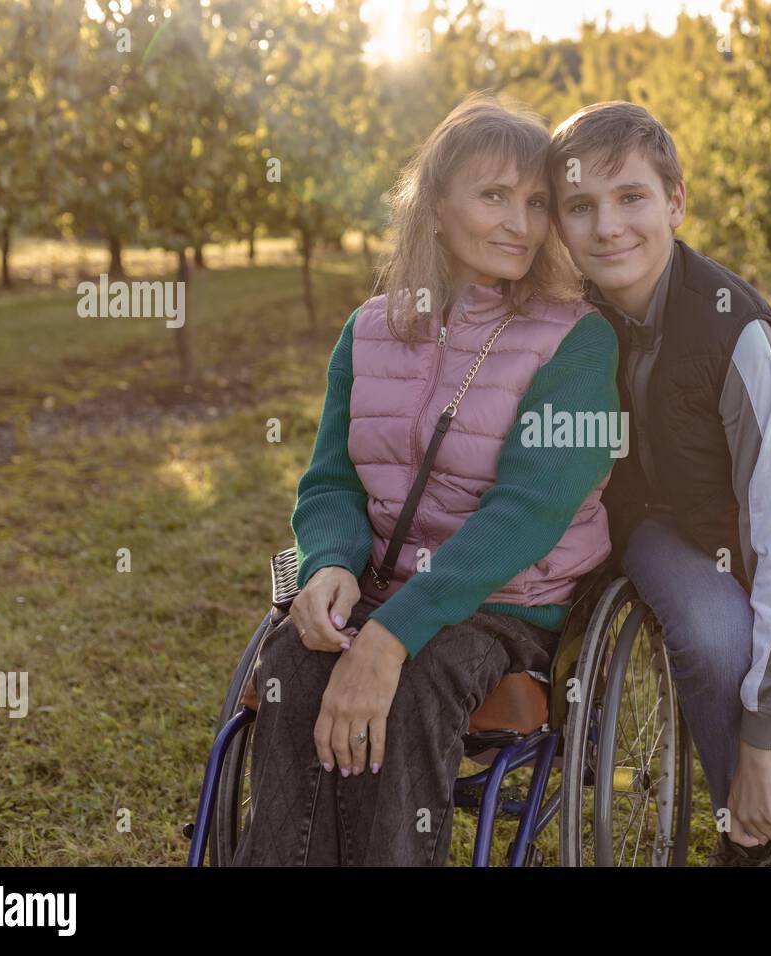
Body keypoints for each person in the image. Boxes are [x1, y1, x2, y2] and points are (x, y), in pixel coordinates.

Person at [232, 93, 620, 866]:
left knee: (415, 681)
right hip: (382, 582)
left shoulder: (576, 342)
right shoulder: (371, 329)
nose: (520, 221)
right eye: (493, 196)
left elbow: (529, 514)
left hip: (509, 602)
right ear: (437, 206)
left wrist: (392, 635)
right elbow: (332, 482)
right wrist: (331, 565)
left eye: (537, 202)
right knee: (290, 666)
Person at [548, 101, 771, 866]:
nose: (608, 227)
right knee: (719, 639)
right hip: (659, 526)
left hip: (769, 521)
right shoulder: (562, 319)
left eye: (632, 197)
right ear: (558, 224)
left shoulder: (735, 329)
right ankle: (746, 842)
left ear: (676, 203)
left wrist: (764, 744)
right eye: (580, 207)